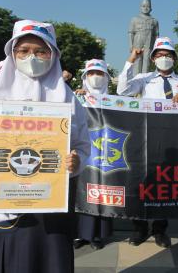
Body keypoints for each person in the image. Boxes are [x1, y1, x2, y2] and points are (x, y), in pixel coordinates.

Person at [0, 19, 90, 273]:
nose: (32, 56)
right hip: (5, 208)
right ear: (13, 54)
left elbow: (83, 145)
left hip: (52, 207)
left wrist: (76, 163)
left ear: (52, 55)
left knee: (53, 264)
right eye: (24, 50)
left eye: (40, 51)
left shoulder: (69, 100)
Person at [117, 37, 178, 248]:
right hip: (145, 136)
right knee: (141, 179)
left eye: (168, 55)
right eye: (160, 55)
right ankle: (140, 228)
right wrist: (131, 60)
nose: (164, 58)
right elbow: (122, 91)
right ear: (153, 59)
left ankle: (160, 229)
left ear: (174, 59)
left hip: (172, 138)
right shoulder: (144, 79)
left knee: (164, 183)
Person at [73, 59, 113, 250]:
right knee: (81, 191)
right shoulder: (76, 97)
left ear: (106, 77)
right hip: (83, 153)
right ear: (84, 77)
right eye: (90, 74)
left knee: (102, 192)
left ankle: (98, 234)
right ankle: (81, 234)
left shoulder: (116, 101)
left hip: (106, 154)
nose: (95, 77)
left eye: (99, 74)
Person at [129, 0, 159, 74]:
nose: (145, 8)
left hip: (149, 44)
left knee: (147, 63)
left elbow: (156, 35)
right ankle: (136, 81)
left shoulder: (154, 21)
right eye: (143, 6)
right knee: (137, 62)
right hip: (137, 43)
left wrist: (156, 48)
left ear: (151, 8)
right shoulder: (134, 19)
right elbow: (131, 33)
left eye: (148, 6)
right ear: (140, 7)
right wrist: (131, 45)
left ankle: (145, 81)